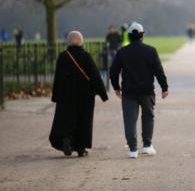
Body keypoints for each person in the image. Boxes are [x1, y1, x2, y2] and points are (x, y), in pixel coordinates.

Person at [110, 22, 169, 159]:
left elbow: (113, 71)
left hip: (129, 92)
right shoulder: (151, 51)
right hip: (147, 91)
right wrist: (164, 87)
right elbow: (158, 71)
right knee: (148, 116)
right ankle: (147, 145)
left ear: (129, 36)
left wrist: (116, 87)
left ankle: (132, 149)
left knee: (130, 119)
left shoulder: (122, 52)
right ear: (142, 35)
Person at [49, 31, 108, 157]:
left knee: (67, 119)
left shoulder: (63, 56)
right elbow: (95, 76)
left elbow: (57, 78)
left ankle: (67, 139)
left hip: (65, 96)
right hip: (85, 96)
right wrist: (103, 94)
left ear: (68, 42)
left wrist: (55, 96)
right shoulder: (86, 56)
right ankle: (81, 148)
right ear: (81, 42)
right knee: (84, 120)